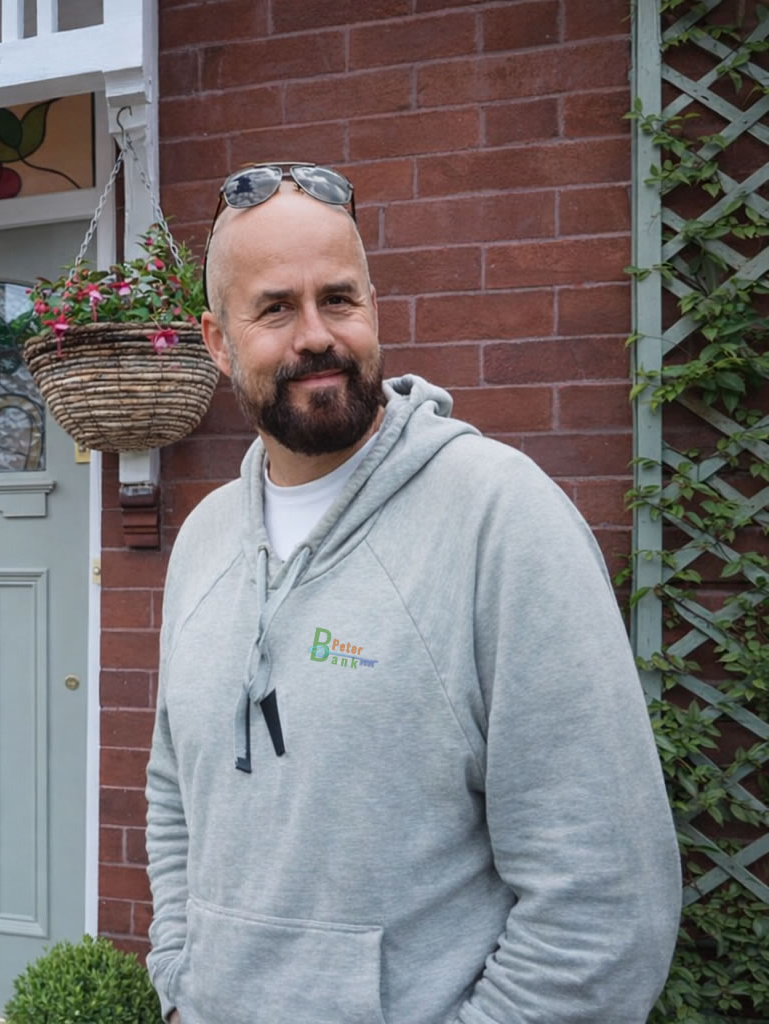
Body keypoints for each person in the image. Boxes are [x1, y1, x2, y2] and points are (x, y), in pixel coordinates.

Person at [144, 163, 681, 1024]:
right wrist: (180, 983)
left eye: (341, 299)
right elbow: (175, 791)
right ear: (216, 341)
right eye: (276, 308)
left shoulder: (501, 519)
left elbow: (606, 908)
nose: (316, 335)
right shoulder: (204, 541)